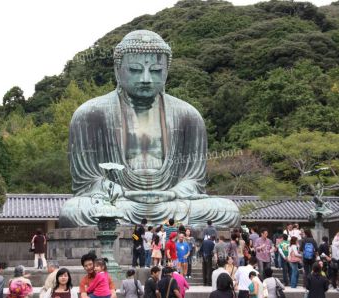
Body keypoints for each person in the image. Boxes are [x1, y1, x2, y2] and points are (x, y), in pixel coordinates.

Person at [58, 29, 240, 228]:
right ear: (118, 70)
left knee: (227, 210)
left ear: (166, 72)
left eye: (155, 71)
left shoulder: (188, 115)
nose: (146, 78)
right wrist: (123, 192)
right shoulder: (90, 114)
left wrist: (173, 193)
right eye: (135, 70)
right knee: (74, 210)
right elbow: (88, 181)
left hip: (171, 202)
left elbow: (194, 180)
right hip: (121, 201)